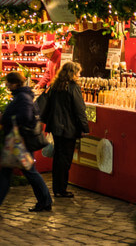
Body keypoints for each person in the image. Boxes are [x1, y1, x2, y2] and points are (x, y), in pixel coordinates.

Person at [0, 72, 53, 212]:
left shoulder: (23, 97)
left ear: (15, 83)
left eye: (8, 82)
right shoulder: (21, 96)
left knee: (29, 172)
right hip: (16, 141)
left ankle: (45, 201)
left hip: (20, 142)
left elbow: (25, 116)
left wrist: (5, 119)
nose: (6, 85)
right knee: (6, 170)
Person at [40, 62, 90, 198]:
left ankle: (57, 187)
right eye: (78, 72)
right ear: (72, 73)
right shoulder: (73, 87)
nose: (79, 75)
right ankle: (61, 189)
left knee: (58, 157)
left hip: (56, 128)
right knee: (65, 159)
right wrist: (85, 128)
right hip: (68, 128)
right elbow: (80, 110)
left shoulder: (55, 86)